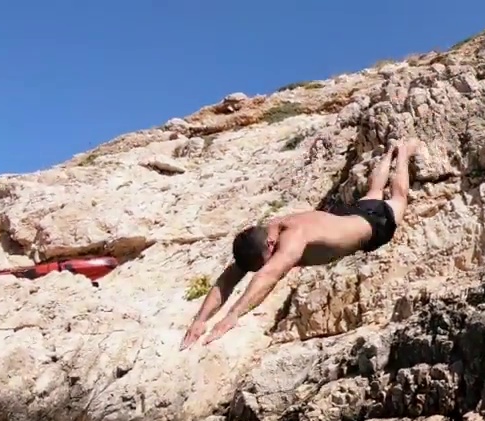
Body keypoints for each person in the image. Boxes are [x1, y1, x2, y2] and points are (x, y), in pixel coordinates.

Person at [181, 137, 422, 349]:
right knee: (374, 190)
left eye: (268, 259)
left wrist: (233, 315)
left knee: (397, 197)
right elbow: (227, 280)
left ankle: (402, 154)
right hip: (353, 214)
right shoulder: (266, 232)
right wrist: (200, 319)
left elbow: (268, 276)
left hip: (375, 225)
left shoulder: (293, 236)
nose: (271, 262)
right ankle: (389, 152)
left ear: (271, 245)